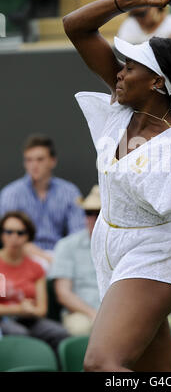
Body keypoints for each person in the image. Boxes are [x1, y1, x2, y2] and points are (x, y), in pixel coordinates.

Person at [63, 0, 171, 372]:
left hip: (155, 254)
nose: (119, 71)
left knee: (102, 364)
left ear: (155, 82)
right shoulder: (123, 104)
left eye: (130, 66)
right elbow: (75, 26)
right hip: (109, 248)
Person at [0, 134, 86, 264]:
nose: (34, 165)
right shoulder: (11, 194)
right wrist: (46, 259)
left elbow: (78, 236)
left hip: (62, 256)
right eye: (29, 160)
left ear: (53, 161)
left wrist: (61, 258)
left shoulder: (70, 192)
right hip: (23, 257)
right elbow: (9, 237)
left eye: (40, 159)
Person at [0, 211, 70, 351]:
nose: (14, 237)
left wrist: (30, 311)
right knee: (20, 335)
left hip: (31, 319)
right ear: (2, 234)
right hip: (4, 320)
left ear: (28, 236)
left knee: (60, 334)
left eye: (20, 233)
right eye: (8, 232)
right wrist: (19, 309)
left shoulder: (36, 267)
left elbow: (42, 309)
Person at [49, 185, 101, 336]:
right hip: (81, 313)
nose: (92, 218)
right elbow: (63, 293)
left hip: (117, 312)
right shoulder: (67, 245)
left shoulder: (123, 245)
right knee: (81, 327)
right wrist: (93, 313)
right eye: (88, 213)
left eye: (98, 213)